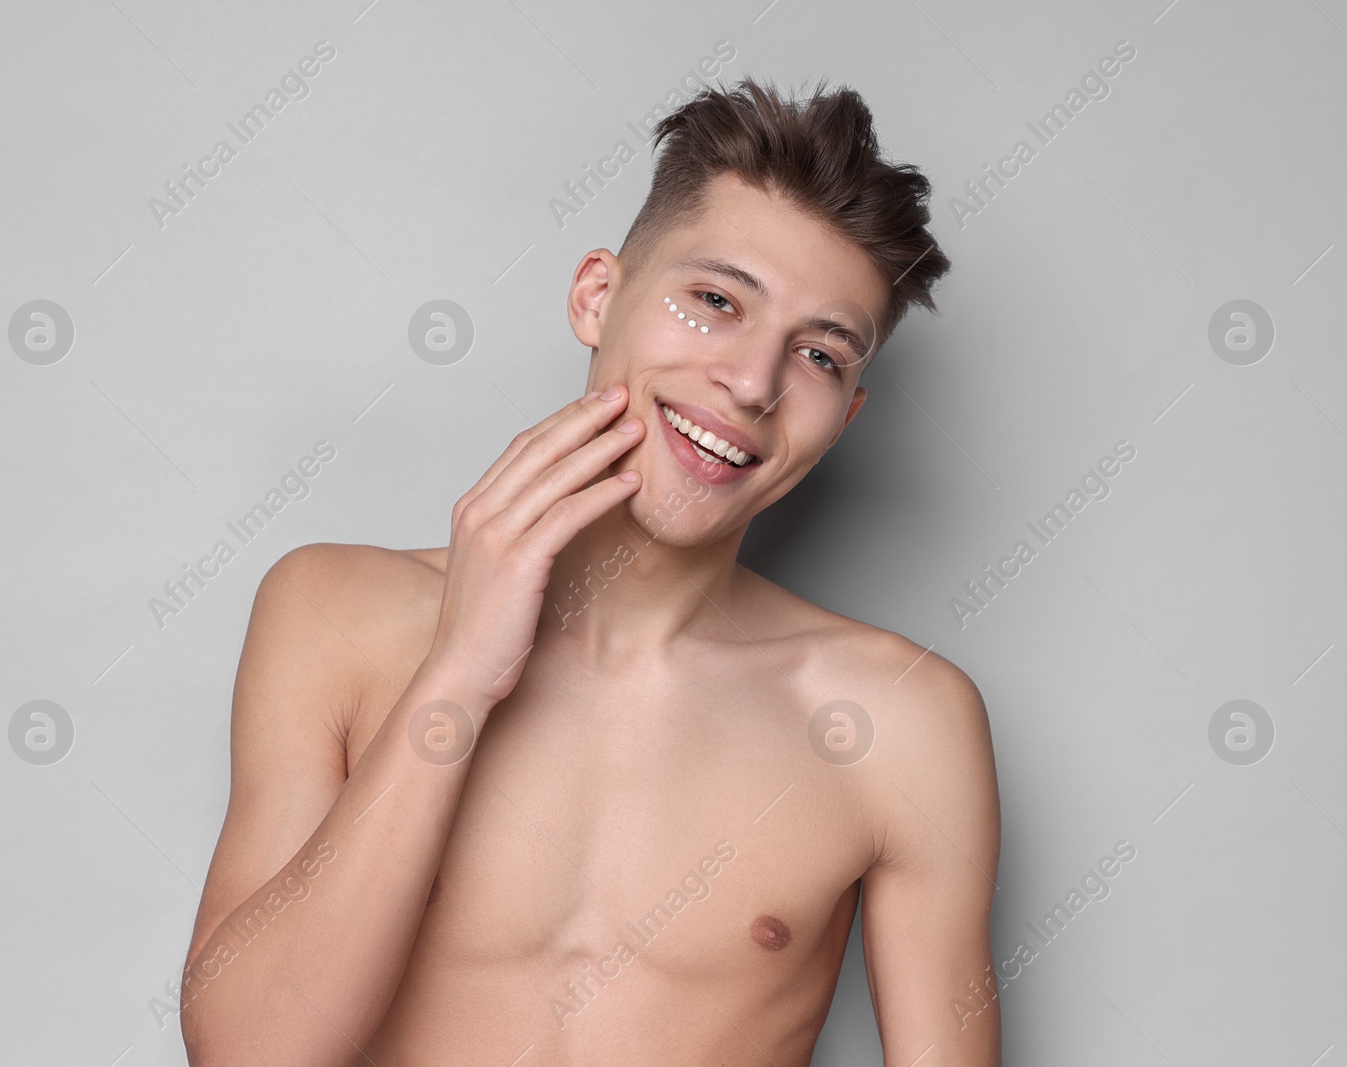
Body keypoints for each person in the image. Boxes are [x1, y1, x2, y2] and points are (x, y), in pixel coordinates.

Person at [179, 76, 1000, 1066]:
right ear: (595, 295)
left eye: (820, 356)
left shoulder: (902, 721)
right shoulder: (333, 612)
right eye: (712, 301)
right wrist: (458, 680)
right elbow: (249, 1054)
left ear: (846, 418)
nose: (750, 382)